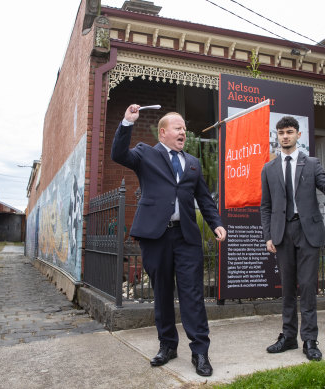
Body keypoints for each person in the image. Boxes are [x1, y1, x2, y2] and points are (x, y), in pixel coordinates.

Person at [111, 104, 226, 377]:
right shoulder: (145, 154)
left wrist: (216, 223)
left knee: (192, 295)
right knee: (162, 292)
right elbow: (118, 154)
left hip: (186, 237)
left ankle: (200, 352)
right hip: (156, 236)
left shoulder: (193, 163)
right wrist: (127, 122)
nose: (183, 132)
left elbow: (205, 200)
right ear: (163, 133)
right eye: (178, 128)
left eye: (185, 128)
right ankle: (167, 346)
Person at [260, 116, 325, 361]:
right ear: (277, 137)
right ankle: (288, 337)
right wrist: (268, 235)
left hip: (308, 232)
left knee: (307, 287)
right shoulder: (269, 168)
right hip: (282, 233)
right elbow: (265, 206)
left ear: (298, 135)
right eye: (281, 133)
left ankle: (309, 340)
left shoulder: (312, 164)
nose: (285, 136)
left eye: (289, 132)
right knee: (287, 288)